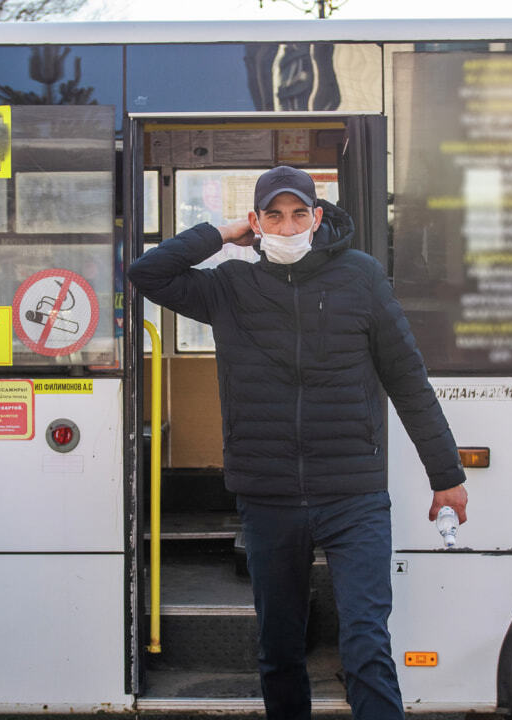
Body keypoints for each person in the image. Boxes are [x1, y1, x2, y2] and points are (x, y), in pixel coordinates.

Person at [128, 166, 468, 720]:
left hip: (353, 495)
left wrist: (446, 476)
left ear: (317, 217)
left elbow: (407, 378)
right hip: (269, 499)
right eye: (273, 215)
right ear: (257, 222)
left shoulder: (361, 277)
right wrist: (222, 232)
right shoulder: (231, 288)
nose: (287, 226)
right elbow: (147, 272)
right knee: (280, 651)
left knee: (366, 643)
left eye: (298, 213)